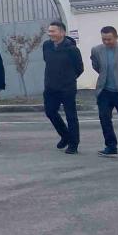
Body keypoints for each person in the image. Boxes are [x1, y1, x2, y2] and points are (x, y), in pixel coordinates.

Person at [90, 26, 118, 158]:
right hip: (104, 90)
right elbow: (96, 66)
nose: (106, 42)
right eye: (104, 39)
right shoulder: (96, 50)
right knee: (104, 119)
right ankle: (111, 146)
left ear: (116, 37)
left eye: (109, 39)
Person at [43, 20, 84, 154]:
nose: (50, 34)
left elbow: (79, 68)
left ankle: (73, 144)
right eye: (49, 31)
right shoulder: (47, 46)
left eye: (53, 31)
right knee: (50, 112)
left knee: (71, 116)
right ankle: (65, 135)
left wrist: (68, 78)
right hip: (50, 87)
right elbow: (47, 61)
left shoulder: (72, 49)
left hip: (67, 88)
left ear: (62, 32)